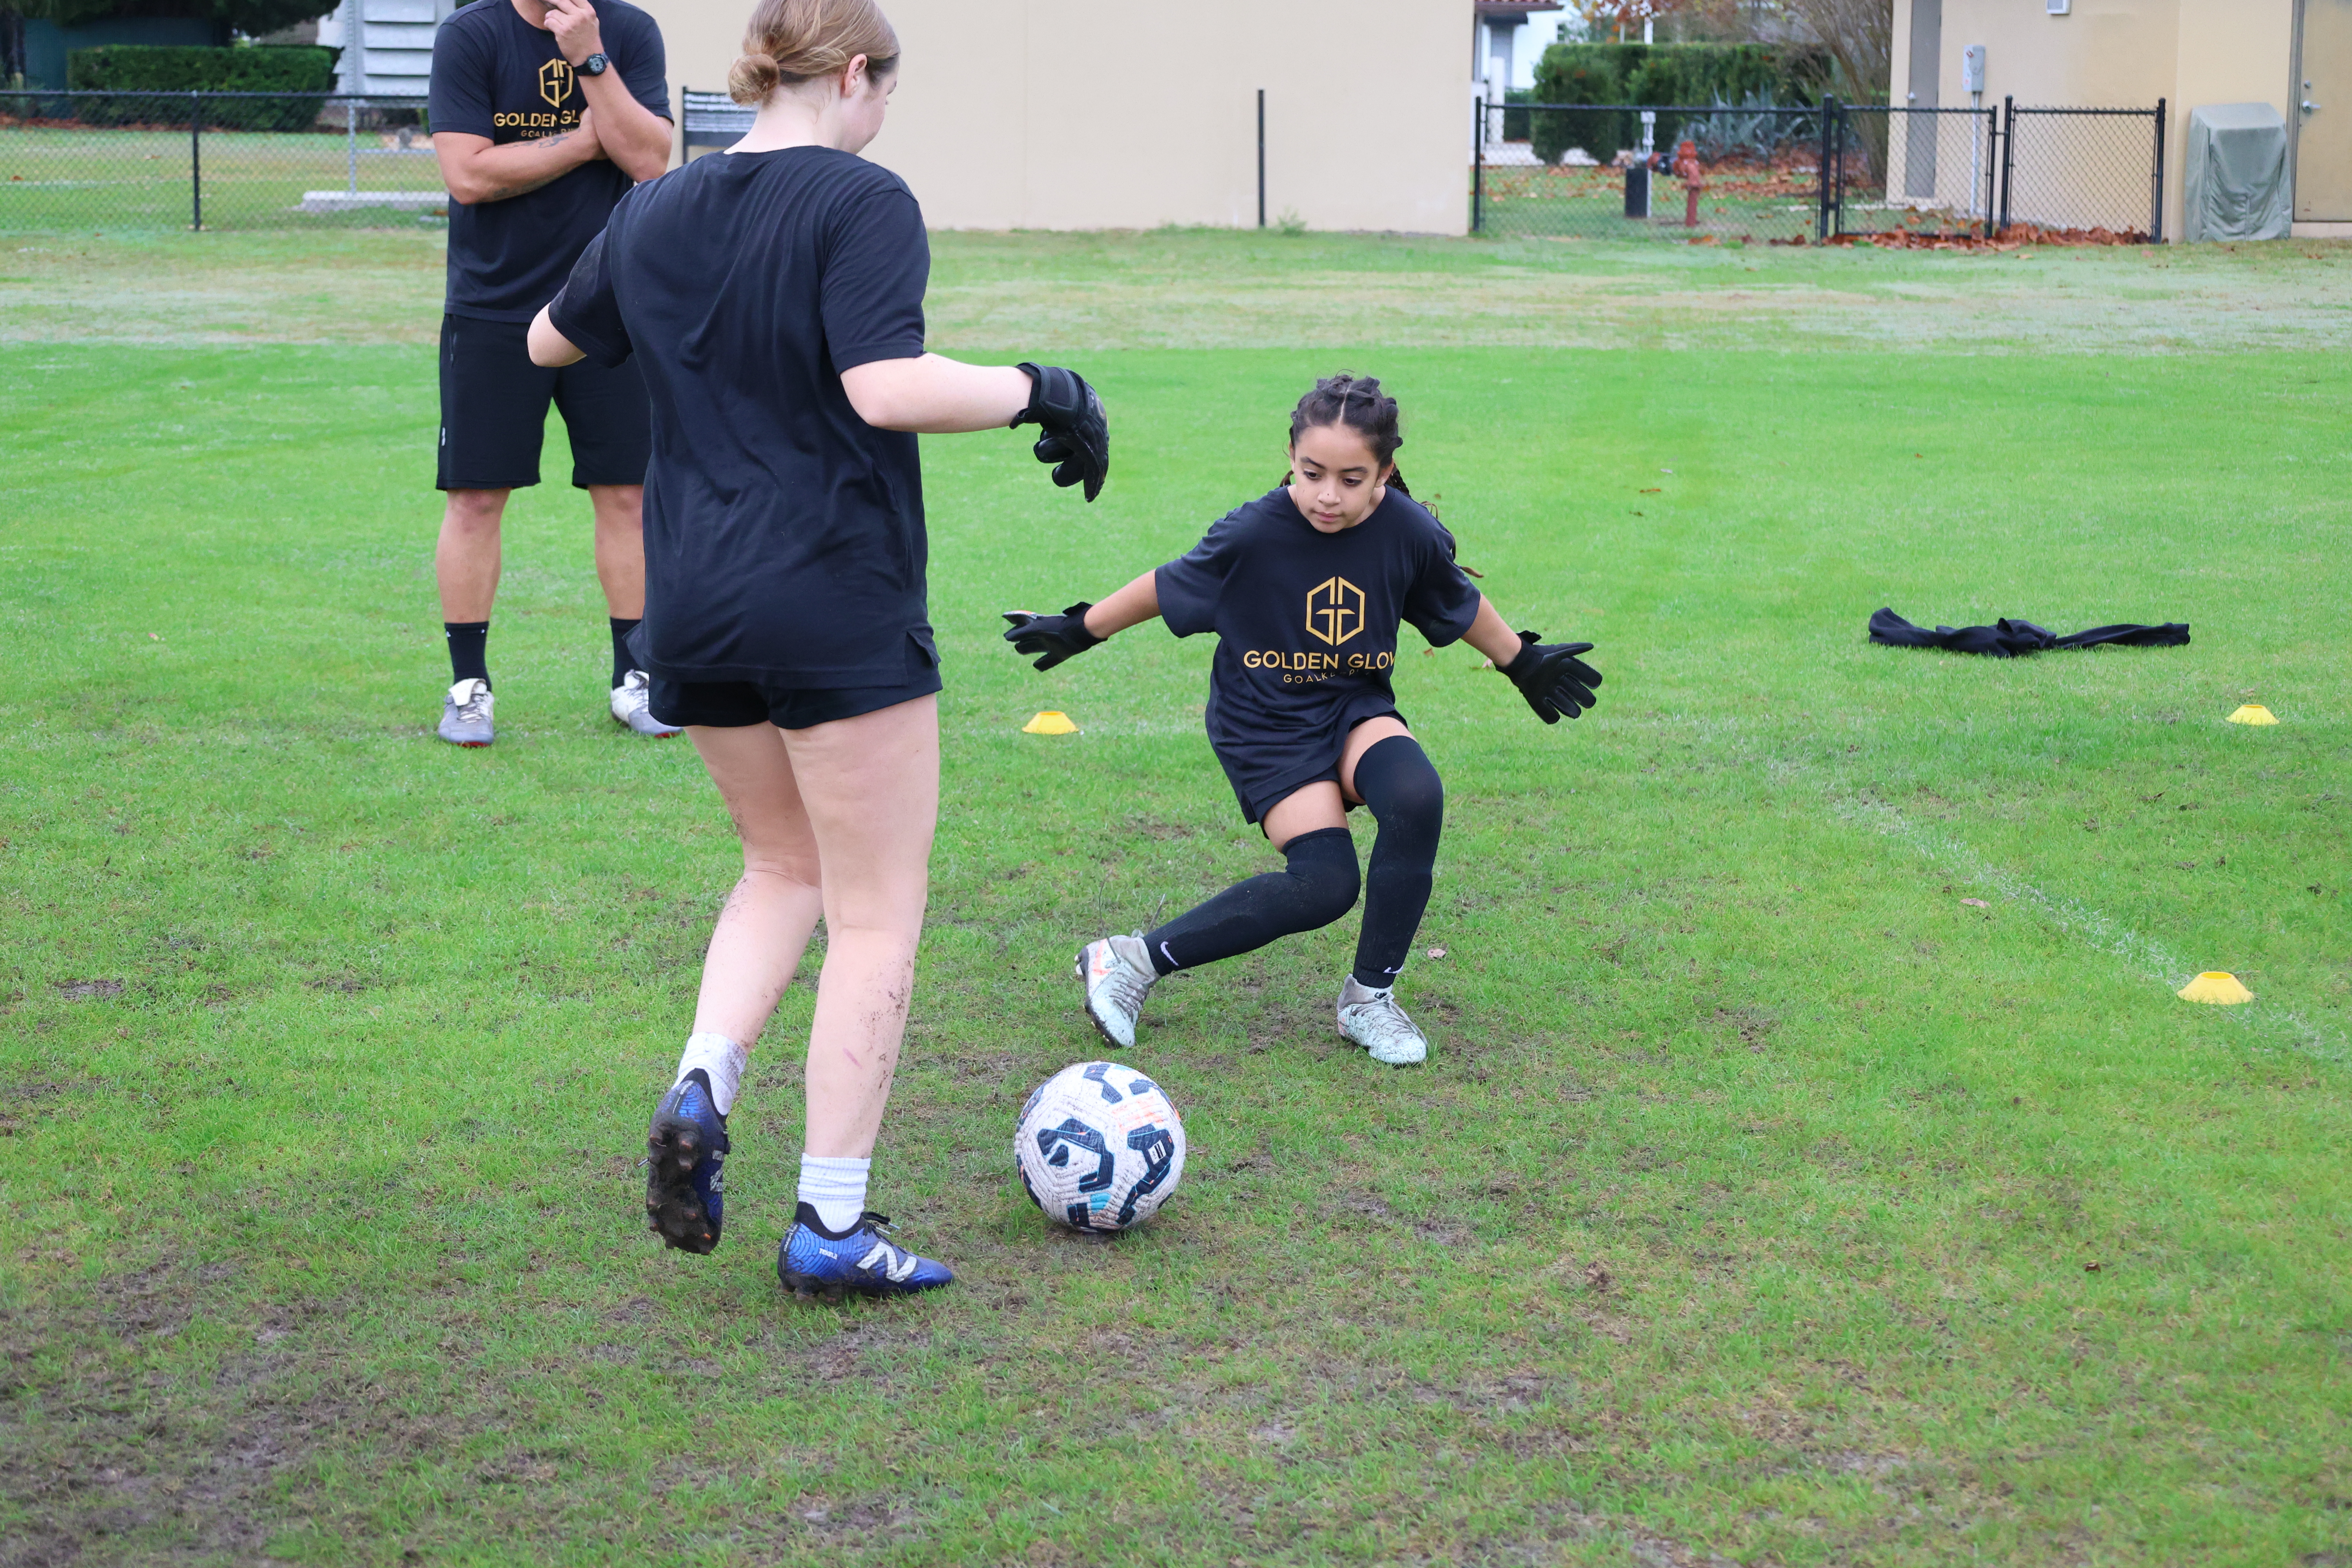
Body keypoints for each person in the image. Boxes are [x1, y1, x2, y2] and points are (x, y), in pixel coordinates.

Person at [526, 0, 1109, 1299]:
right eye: (887, 92)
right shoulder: (863, 200)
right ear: (855, 74)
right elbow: (884, 387)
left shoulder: (660, 206)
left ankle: (704, 1080)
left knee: (778, 862)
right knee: (876, 906)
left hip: (694, 606)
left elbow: (548, 340)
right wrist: (1045, 387)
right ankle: (832, 1228)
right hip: (832, 597)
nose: (885, 114)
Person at [1002, 375, 1599, 1067]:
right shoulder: (1255, 532)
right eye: (1313, 474)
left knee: (1416, 794)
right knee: (1325, 886)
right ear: (1291, 455)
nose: (1327, 495)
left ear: (1387, 471)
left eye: (1352, 479)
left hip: (1353, 706)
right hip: (1265, 722)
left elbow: (1456, 601)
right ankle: (1129, 962)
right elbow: (1169, 586)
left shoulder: (1406, 530)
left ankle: (1368, 1000)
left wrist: (1521, 662)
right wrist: (1081, 629)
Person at [427, 0, 677, 746]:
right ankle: (469, 687)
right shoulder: (470, 36)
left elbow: (649, 159)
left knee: (629, 494)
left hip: (610, 302)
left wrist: (591, 57)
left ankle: (634, 678)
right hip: (492, 310)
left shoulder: (629, 32)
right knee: (475, 498)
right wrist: (580, 142)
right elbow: (468, 174)